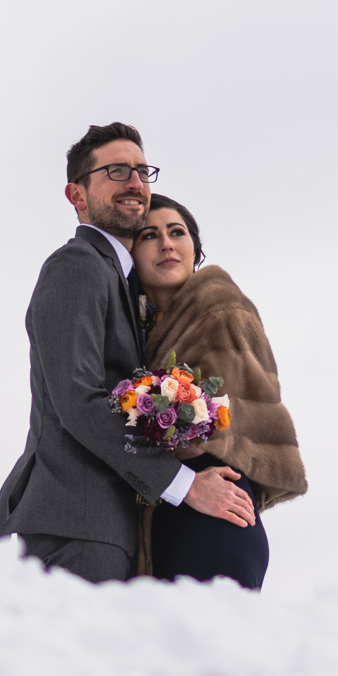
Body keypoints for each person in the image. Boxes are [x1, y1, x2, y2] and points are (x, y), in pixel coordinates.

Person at [0, 122, 257, 581]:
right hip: (76, 523)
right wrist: (184, 485)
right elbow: (78, 399)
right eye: (115, 171)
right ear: (77, 195)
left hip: (108, 528)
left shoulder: (124, 285)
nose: (134, 182)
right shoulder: (78, 266)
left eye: (142, 171)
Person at [131, 192, 307, 589]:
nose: (166, 244)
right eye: (149, 235)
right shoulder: (141, 325)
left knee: (211, 644)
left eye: (177, 232)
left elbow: (224, 420)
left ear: (195, 249)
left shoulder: (220, 308)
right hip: (173, 510)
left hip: (215, 512)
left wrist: (161, 417)